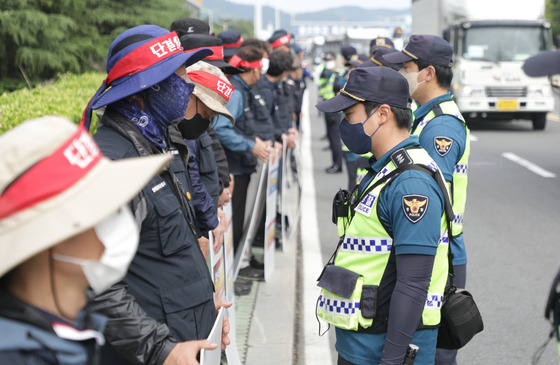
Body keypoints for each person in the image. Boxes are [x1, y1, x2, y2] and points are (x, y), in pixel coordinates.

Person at [80, 25, 230, 364]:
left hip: (187, 338)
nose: (188, 84)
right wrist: (163, 349)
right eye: (179, 75)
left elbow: (164, 255)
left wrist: (203, 308)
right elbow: (99, 286)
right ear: (147, 87)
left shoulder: (158, 148)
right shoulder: (113, 166)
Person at [0, 116, 172, 364]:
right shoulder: (18, 356)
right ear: (53, 237)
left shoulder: (68, 328)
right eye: (100, 213)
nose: (114, 224)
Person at [315, 67, 451, 365]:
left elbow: (414, 282)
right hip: (363, 340)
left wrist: (393, 359)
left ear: (382, 114)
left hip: (383, 347)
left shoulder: (410, 184)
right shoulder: (385, 169)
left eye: (350, 115)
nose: (344, 124)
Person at [383, 34, 470, 365]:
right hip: (436, 253)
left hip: (438, 256)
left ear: (428, 73)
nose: (403, 74)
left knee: (435, 353)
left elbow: (428, 199)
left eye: (407, 67)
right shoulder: (426, 115)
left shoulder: (439, 127)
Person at [214, 46, 271, 255]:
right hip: (233, 169)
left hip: (237, 166)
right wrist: (250, 146)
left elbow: (237, 126)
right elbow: (221, 128)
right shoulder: (236, 93)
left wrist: (252, 139)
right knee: (234, 222)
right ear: (255, 70)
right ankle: (234, 276)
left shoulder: (240, 89)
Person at [319, 51, 345, 173]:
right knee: (331, 138)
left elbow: (339, 93)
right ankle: (334, 163)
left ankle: (338, 165)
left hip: (335, 111)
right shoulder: (328, 75)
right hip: (328, 109)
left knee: (335, 139)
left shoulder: (338, 76)